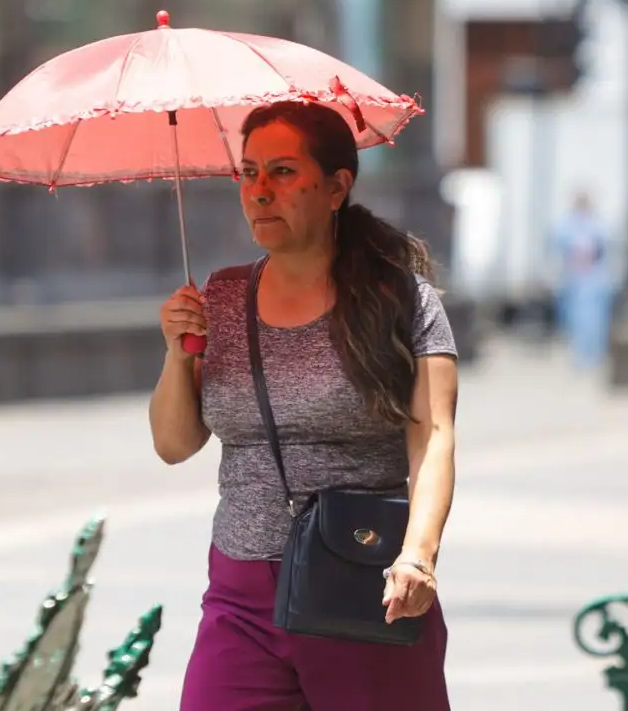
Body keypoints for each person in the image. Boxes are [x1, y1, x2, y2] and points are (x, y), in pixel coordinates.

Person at [149, 100, 458, 711]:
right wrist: (177, 354)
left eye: (283, 172)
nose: (260, 191)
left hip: (360, 584)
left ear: (337, 186)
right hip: (240, 593)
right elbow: (174, 444)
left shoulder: (401, 300)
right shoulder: (222, 296)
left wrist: (418, 556)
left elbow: (435, 437)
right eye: (249, 173)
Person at [552, 191, 614, 368]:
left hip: (594, 280)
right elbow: (559, 245)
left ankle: (594, 356)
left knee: (596, 322)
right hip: (576, 281)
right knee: (575, 320)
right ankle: (580, 356)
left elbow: (605, 245)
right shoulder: (567, 224)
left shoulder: (597, 224)